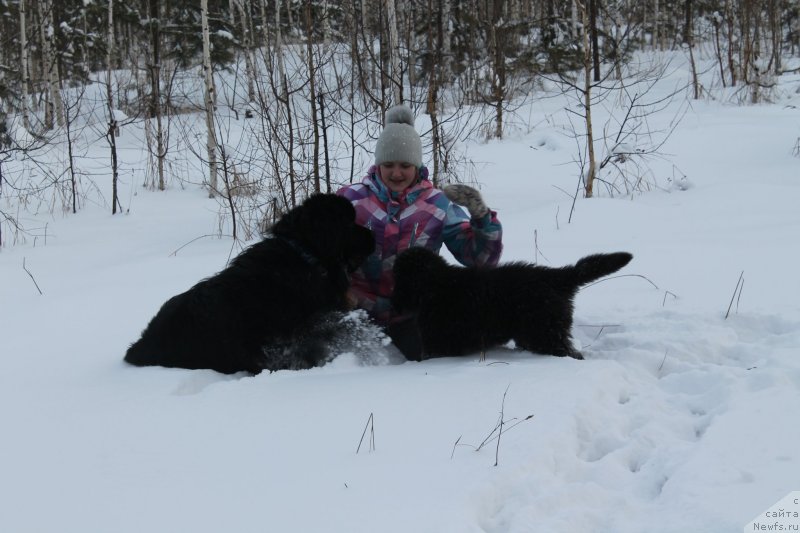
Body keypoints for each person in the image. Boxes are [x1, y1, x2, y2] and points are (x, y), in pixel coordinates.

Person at [337, 104, 503, 360]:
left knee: (428, 368)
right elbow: (320, 250)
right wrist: (337, 289)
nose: (396, 173)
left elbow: (480, 260)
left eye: (405, 165)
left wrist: (481, 218)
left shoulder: (438, 203)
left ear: (416, 165)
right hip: (356, 309)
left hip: (411, 314)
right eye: (388, 164)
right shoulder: (350, 200)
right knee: (344, 370)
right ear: (378, 163)